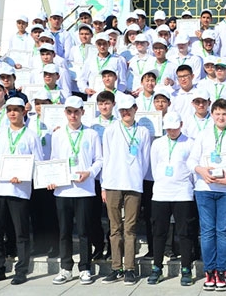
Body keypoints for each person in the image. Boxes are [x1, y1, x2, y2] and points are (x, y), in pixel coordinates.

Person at [0, 98, 43, 285]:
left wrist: (25, 176)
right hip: (0, 189)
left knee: (21, 233)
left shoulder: (31, 136)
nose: (13, 113)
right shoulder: (1, 135)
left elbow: (37, 163)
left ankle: (21, 270)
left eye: (16, 110)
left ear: (24, 112)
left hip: (20, 191)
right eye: (10, 110)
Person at [188, 98, 226, 291]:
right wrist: (201, 170)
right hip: (205, 189)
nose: (221, 117)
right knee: (207, 231)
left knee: (223, 231)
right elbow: (191, 161)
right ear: (212, 115)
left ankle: (222, 270)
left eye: (224, 114)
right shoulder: (203, 134)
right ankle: (209, 270)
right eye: (217, 114)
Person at [49, 97, 103, 285]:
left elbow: (99, 160)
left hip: (84, 190)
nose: (73, 115)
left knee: (84, 231)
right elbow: (54, 159)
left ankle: (85, 268)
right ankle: (65, 268)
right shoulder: (57, 135)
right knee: (64, 231)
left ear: (83, 112)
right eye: (70, 111)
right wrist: (51, 179)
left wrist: (90, 173)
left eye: (77, 111)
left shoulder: (91, 134)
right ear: (65, 113)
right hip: (63, 191)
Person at [101, 95, 152, 284]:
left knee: (130, 228)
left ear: (135, 108)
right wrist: (103, 185)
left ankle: (129, 268)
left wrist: (136, 175)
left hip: (133, 184)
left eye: (129, 109)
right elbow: (106, 157)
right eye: (122, 110)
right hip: (113, 183)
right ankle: (116, 267)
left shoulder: (143, 131)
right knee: (115, 228)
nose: (125, 112)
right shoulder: (111, 130)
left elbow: (145, 159)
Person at [147, 111, 196, 286]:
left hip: (183, 192)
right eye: (168, 129)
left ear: (181, 125)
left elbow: (192, 169)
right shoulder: (158, 143)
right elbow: (154, 166)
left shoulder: (190, 143)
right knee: (159, 231)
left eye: (174, 128)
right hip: (161, 192)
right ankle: (157, 267)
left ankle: (186, 268)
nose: (172, 132)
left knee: (184, 232)